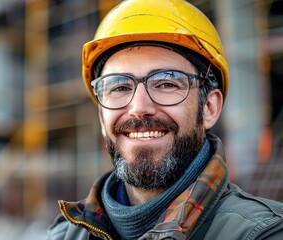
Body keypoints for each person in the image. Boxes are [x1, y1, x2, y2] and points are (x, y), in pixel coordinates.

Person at [46, 0, 283, 239]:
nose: (138, 108)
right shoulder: (62, 235)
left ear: (209, 108)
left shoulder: (264, 233)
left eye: (167, 83)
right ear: (101, 116)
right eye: (118, 87)